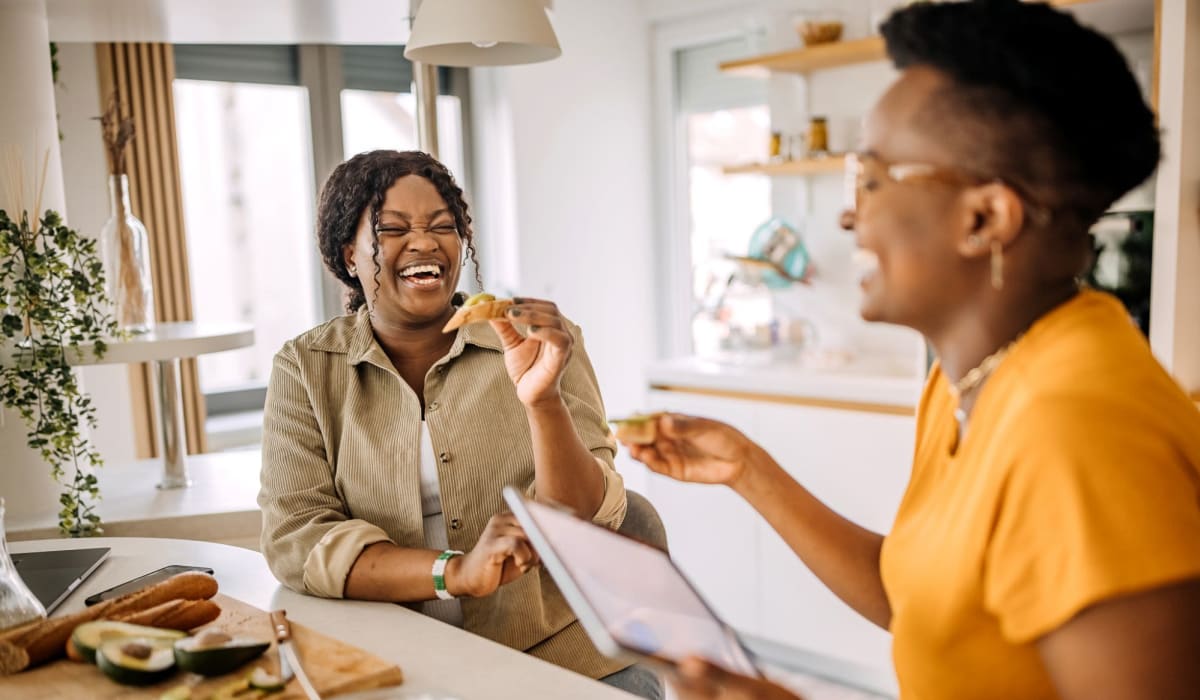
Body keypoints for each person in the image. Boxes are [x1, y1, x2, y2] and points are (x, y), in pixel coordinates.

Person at [623, 2, 1200, 699]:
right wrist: (748, 468)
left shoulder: (1079, 429)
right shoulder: (972, 376)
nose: (848, 213)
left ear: (984, 218)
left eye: (871, 178)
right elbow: (918, 600)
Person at [258, 150, 661, 699]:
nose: (425, 242)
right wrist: (456, 571)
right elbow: (297, 539)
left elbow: (588, 516)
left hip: (562, 660)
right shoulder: (306, 367)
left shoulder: (541, 342)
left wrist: (543, 402)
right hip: (394, 661)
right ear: (349, 254)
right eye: (393, 229)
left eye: (443, 226)